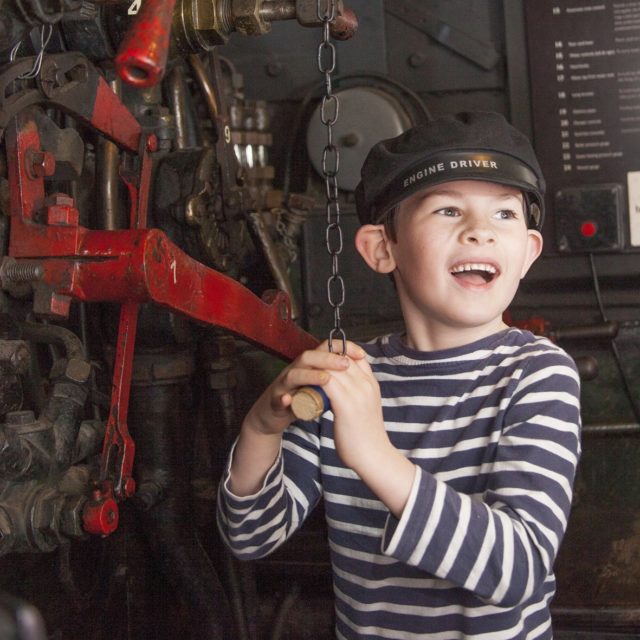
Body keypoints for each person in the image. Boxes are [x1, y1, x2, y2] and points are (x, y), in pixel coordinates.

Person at [217, 111, 581, 639]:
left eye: (504, 214)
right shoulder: (350, 377)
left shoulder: (538, 374)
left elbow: (517, 569)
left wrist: (372, 452)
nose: (480, 231)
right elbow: (250, 536)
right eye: (449, 209)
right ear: (382, 249)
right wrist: (260, 429)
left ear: (526, 253)